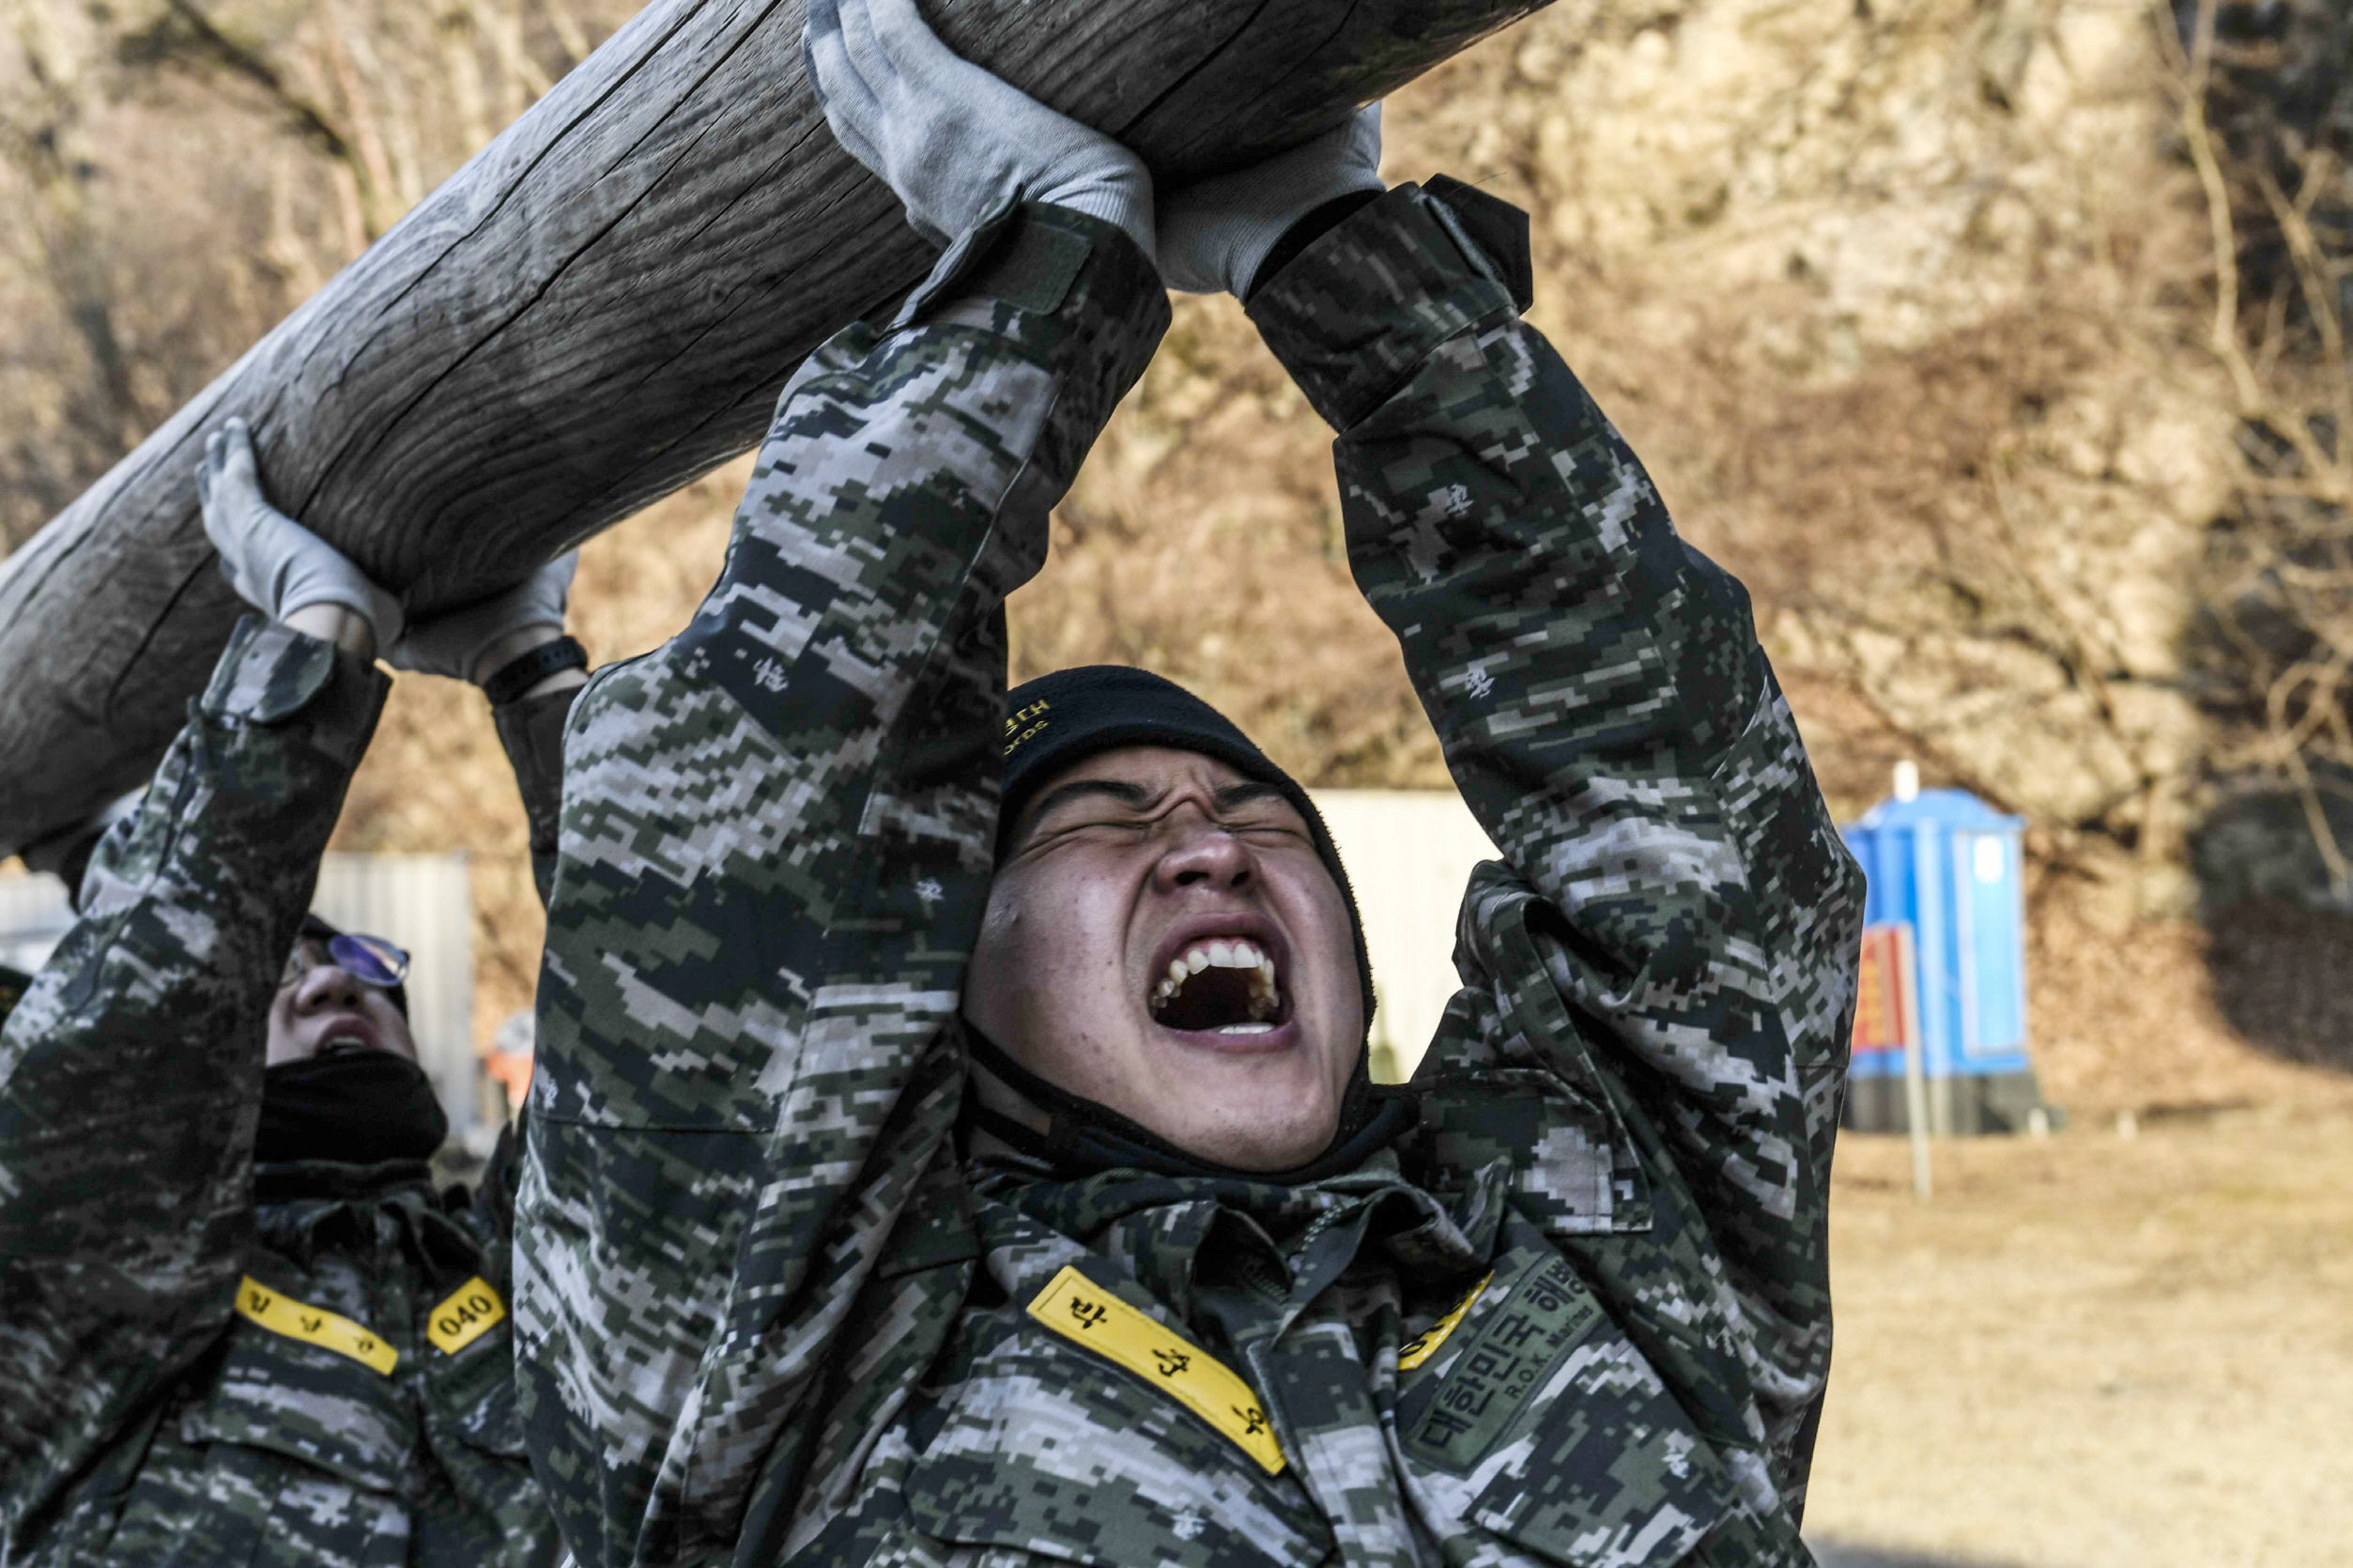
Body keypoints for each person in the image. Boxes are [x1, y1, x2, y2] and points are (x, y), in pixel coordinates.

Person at [512, 1, 1866, 1562]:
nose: (1204, 852)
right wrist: (1029, 286)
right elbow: (741, 845)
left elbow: (1695, 833)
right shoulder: (789, 1380)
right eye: (1098, 822)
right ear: (938, 992)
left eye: (1256, 819)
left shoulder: (1590, 1248)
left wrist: (1341, 267)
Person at [0, 420, 586, 1566]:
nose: (328, 982)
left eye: (355, 960)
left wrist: (530, 670)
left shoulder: (514, 1267)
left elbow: (662, 1037)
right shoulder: (79, 1310)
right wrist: (308, 651)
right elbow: (114, 1061)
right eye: (277, 973)